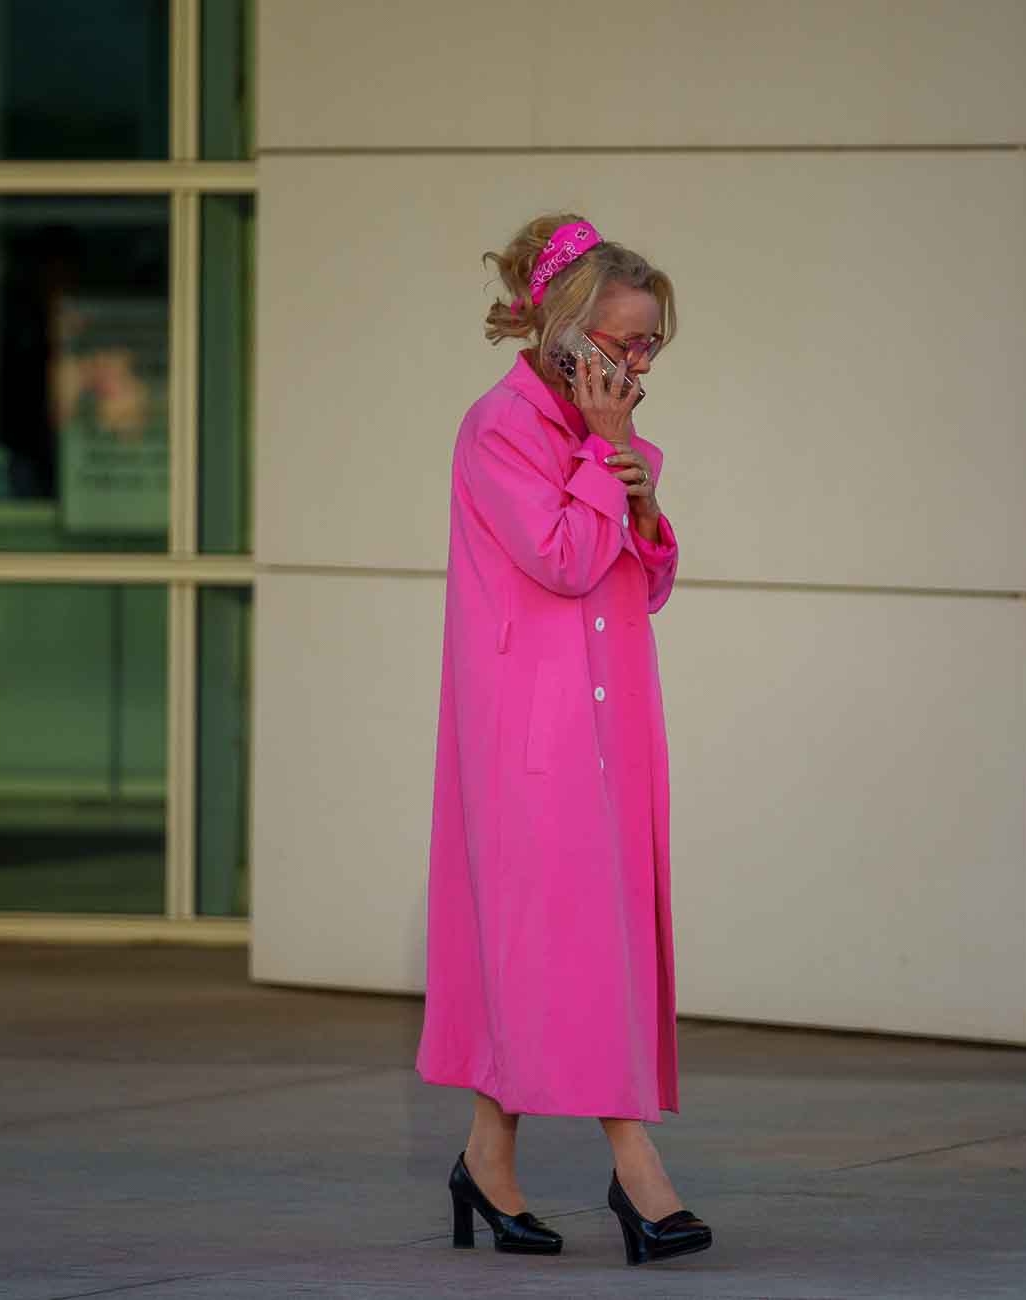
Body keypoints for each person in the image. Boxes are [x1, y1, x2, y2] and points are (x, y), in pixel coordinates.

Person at [413, 214, 713, 1266]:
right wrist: (605, 454)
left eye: (651, 347)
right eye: (626, 343)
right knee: (575, 948)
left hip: (610, 725)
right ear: (568, 334)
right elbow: (560, 559)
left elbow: (648, 577)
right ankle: (639, 1176)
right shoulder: (498, 428)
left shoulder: (609, 437)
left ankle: (485, 1163)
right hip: (528, 740)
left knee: (557, 951)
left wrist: (631, 475)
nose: (638, 364)